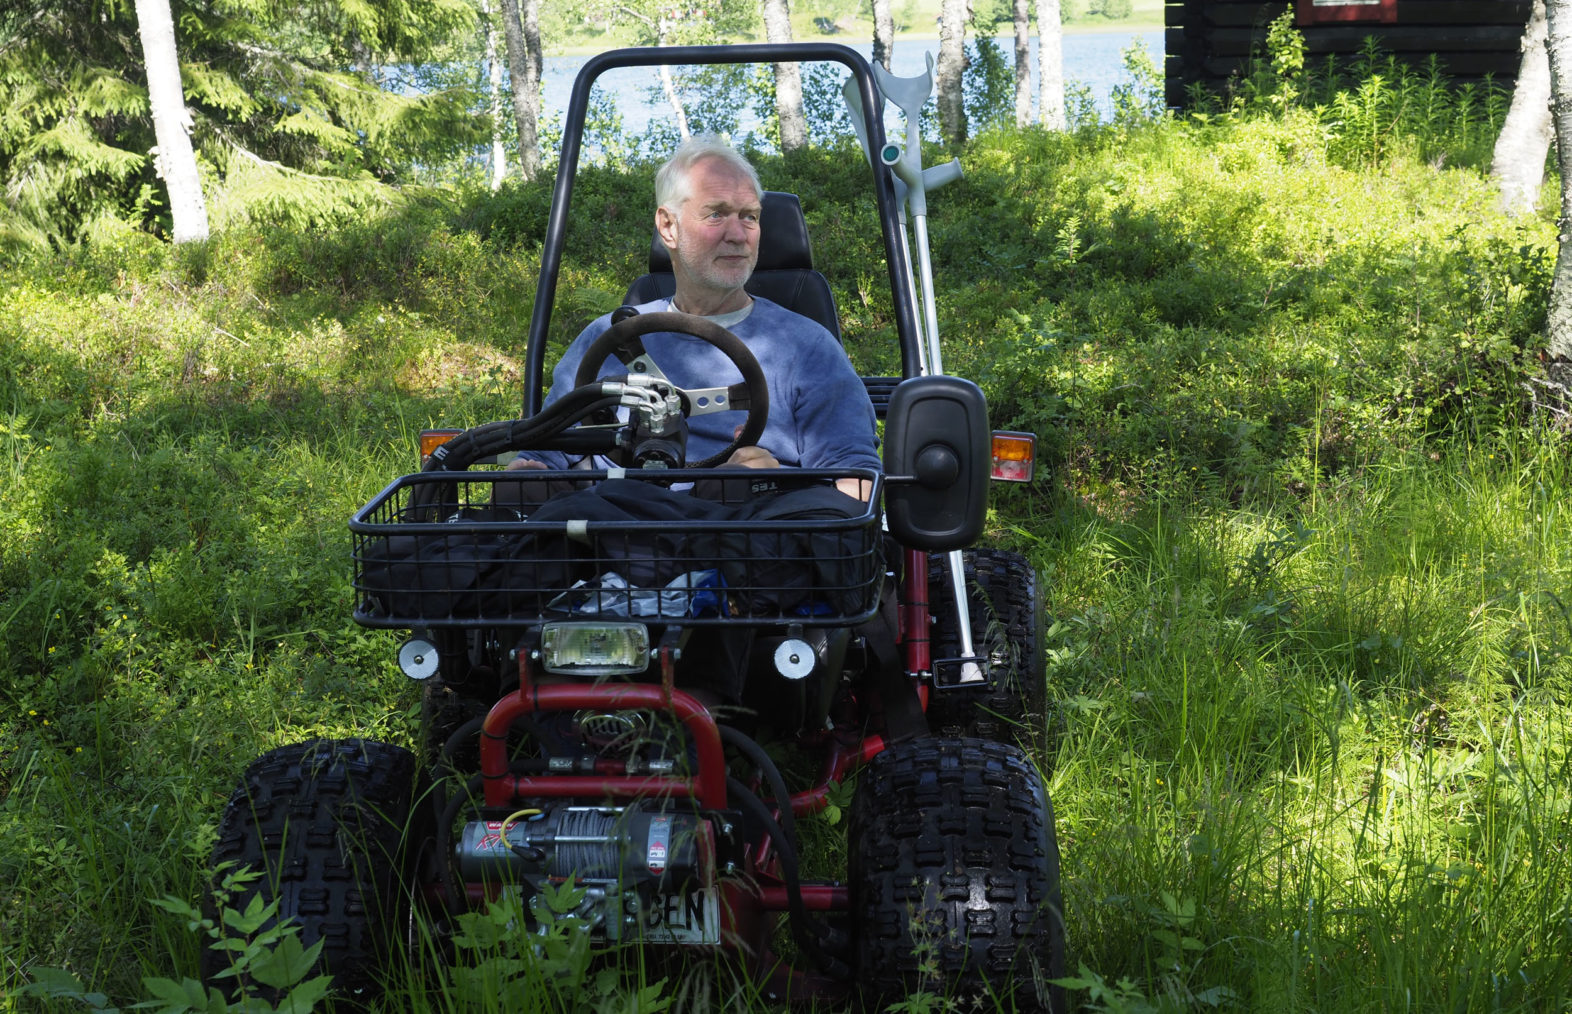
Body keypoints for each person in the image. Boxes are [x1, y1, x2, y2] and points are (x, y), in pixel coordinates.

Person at [510, 138, 878, 500]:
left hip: (747, 536)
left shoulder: (805, 347)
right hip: (616, 529)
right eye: (716, 214)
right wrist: (525, 474)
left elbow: (857, 480)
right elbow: (547, 452)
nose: (738, 236)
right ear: (668, 227)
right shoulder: (607, 338)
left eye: (749, 216)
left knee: (735, 484)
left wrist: (777, 484)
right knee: (517, 493)